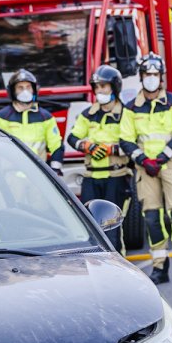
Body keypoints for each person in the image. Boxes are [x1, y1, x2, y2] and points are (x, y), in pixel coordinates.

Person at [119, 53, 172, 289]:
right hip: (146, 169)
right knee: (152, 219)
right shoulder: (132, 108)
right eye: (147, 74)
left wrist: (162, 157)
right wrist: (143, 159)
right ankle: (159, 267)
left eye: (155, 74)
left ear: (161, 77)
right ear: (141, 77)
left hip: (170, 166)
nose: (151, 78)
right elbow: (125, 139)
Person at [66, 65, 130, 252]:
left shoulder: (125, 114)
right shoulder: (88, 114)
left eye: (104, 86)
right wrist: (87, 146)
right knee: (89, 227)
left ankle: (117, 262)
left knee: (112, 227)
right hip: (91, 178)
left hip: (115, 177)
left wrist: (112, 149)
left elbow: (132, 143)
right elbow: (72, 138)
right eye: (97, 87)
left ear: (114, 87)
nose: (99, 91)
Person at [0, 68, 65, 174]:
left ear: (34, 89)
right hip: (9, 174)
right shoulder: (1, 117)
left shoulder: (45, 117)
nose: (25, 91)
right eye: (20, 87)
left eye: (28, 87)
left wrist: (55, 169)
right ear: (12, 91)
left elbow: (56, 144)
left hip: (38, 173)